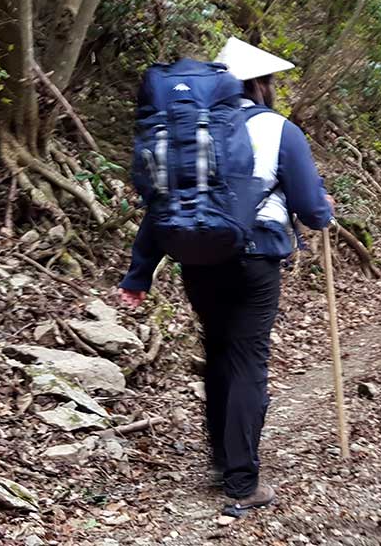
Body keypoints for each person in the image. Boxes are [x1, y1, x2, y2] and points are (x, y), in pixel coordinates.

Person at [118, 37, 333, 516]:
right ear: (259, 83)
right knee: (248, 360)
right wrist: (322, 211)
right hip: (256, 259)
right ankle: (242, 481)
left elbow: (159, 206)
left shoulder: (183, 133)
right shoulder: (278, 129)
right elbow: (312, 210)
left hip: (196, 258)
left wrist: (139, 276)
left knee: (218, 351)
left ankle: (222, 461)